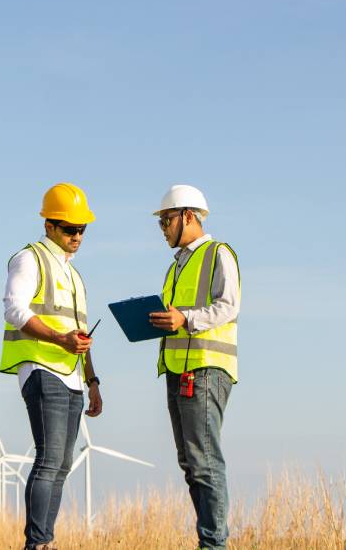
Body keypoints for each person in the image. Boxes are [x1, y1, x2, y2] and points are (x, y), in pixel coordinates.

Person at [0, 182, 103, 550]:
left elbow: (80, 334)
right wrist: (60, 340)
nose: (77, 235)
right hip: (43, 370)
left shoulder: (75, 276)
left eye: (82, 229)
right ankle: (38, 543)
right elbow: (15, 310)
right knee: (49, 460)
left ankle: (45, 541)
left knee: (61, 464)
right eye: (70, 228)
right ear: (49, 226)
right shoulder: (30, 259)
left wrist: (92, 380)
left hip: (74, 378)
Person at [148, 184, 240, 550]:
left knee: (204, 464)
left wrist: (183, 318)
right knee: (191, 464)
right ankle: (209, 541)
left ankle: (214, 545)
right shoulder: (175, 268)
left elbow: (228, 305)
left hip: (205, 369)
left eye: (167, 220)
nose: (163, 229)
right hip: (178, 370)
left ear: (189, 216)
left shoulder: (219, 254)